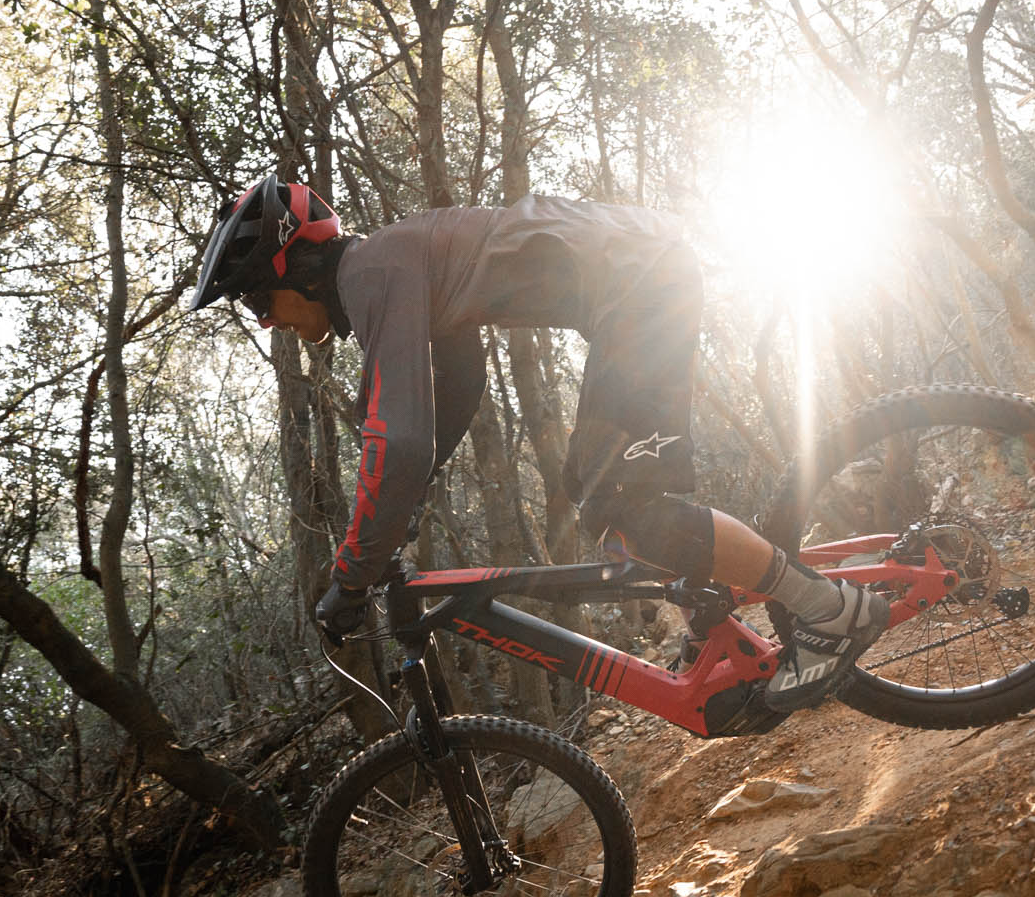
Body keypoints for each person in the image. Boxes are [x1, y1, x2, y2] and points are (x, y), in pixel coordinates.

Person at [187, 172, 886, 711]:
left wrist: (352, 572)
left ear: (297, 267)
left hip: (640, 285)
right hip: (639, 280)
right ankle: (719, 627)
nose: (266, 321)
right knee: (600, 492)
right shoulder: (397, 263)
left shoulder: (372, 272)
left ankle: (830, 610)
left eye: (257, 301)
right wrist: (412, 500)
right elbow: (458, 385)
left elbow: (394, 440)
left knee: (625, 507)